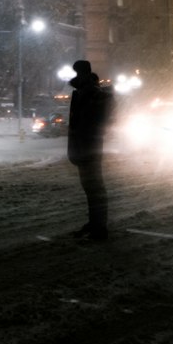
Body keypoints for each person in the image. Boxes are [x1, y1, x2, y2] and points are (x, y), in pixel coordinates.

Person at [66, 58, 112, 242]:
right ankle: (95, 223)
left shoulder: (92, 93)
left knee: (95, 188)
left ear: (84, 73)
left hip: (89, 147)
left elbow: (92, 122)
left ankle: (99, 228)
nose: (76, 75)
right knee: (90, 188)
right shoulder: (82, 92)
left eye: (78, 72)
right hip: (83, 147)